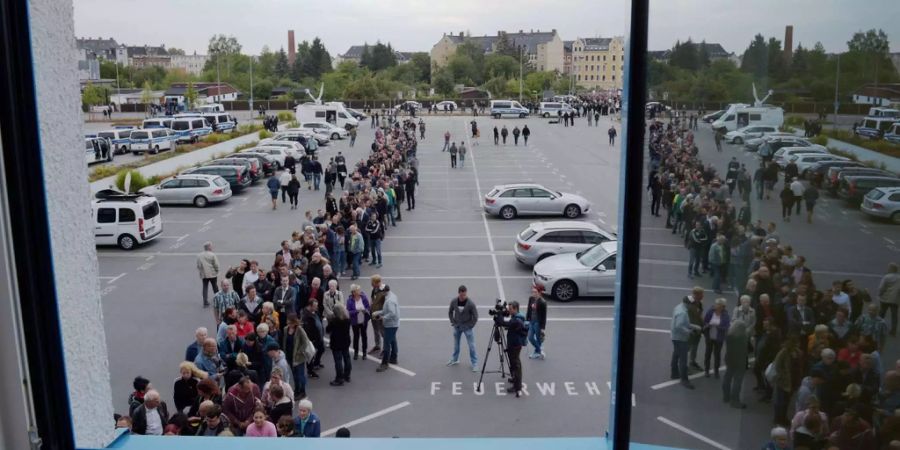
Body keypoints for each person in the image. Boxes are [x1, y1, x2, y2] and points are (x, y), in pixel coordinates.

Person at [493, 301, 527, 396]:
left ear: (515, 309)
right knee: (513, 362)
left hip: (515, 344)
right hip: (513, 342)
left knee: (516, 364)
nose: (509, 310)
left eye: (510, 309)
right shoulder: (516, 316)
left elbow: (503, 322)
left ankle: (517, 386)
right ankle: (514, 378)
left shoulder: (516, 320)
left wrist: (499, 314)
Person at [447, 285, 479, 371]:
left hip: (467, 327)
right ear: (459, 293)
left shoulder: (471, 303)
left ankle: (475, 363)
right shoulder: (454, 301)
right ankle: (455, 359)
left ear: (466, 293)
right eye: (462, 295)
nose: (463, 297)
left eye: (464, 295)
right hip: (457, 326)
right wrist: (453, 322)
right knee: (456, 345)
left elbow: (475, 316)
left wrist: (470, 326)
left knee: (471, 346)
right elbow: (450, 312)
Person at [671, 295, 699, 389]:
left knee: (676, 354)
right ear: (688, 304)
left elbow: (682, 323)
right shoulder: (683, 312)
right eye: (692, 304)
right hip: (681, 338)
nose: (693, 306)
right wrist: (689, 331)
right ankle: (684, 380)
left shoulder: (679, 307)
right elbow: (679, 326)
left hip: (675, 336)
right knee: (683, 359)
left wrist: (694, 326)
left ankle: (674, 373)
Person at [722, 320, 749, 408]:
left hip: (729, 359)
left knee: (727, 378)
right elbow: (747, 349)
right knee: (737, 381)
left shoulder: (729, 336)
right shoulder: (742, 337)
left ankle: (726, 396)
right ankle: (735, 400)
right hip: (739, 361)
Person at [282, 313, 309, 400]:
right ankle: (297, 390)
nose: (289, 324)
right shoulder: (286, 329)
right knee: (294, 374)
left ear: (294, 322)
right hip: (290, 355)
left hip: (299, 357)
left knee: (300, 375)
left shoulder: (299, 329)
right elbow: (285, 341)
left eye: (290, 323)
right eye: (288, 322)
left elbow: (306, 342)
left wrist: (299, 351)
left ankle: (302, 391)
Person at [374, 286, 399, 372]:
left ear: (384, 291)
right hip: (394, 324)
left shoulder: (389, 301)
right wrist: (378, 312)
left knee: (386, 344)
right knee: (393, 340)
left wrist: (382, 317)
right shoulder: (392, 296)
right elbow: (388, 311)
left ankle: (384, 363)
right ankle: (393, 357)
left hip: (390, 324)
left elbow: (392, 313)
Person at [327, 303, 352, 386]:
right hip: (345, 341)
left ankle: (339, 378)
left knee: (338, 361)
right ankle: (347, 375)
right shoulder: (347, 319)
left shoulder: (334, 321)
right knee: (347, 358)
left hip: (336, 342)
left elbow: (328, 330)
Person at [346, 284, 370, 360]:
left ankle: (364, 353)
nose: (360, 291)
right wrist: (356, 311)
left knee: (364, 336)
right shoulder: (349, 300)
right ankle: (356, 352)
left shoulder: (364, 298)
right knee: (356, 337)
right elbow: (348, 312)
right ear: (353, 292)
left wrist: (365, 310)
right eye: (358, 290)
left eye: (359, 290)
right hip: (355, 321)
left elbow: (368, 307)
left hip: (363, 320)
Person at [526, 286, 548, 359]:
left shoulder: (542, 302)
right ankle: (540, 350)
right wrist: (527, 320)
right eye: (533, 292)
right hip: (531, 321)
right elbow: (529, 310)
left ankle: (537, 352)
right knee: (530, 337)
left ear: (539, 293)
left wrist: (542, 328)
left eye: (535, 292)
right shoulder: (531, 298)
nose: (533, 293)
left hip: (538, 322)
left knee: (538, 338)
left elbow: (544, 316)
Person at [196, 242, 220, 308]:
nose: (212, 247)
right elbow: (216, 265)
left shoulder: (199, 255)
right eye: (211, 246)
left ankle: (205, 301)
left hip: (204, 274)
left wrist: (201, 271)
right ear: (209, 247)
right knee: (215, 286)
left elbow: (198, 265)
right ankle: (218, 299)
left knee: (205, 287)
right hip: (212, 274)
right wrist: (217, 270)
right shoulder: (212, 255)